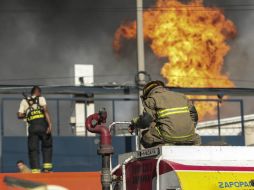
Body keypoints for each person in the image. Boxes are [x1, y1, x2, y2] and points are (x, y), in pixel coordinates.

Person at [129, 80, 201, 148]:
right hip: (190, 137)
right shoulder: (182, 96)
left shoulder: (151, 99)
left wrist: (134, 122)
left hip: (168, 137)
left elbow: (145, 121)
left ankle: (160, 152)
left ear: (147, 93)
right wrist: (185, 129)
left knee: (145, 137)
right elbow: (194, 116)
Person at [17, 86, 53, 173]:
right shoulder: (41, 99)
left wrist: (28, 114)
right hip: (43, 125)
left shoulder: (24, 101)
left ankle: (35, 170)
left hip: (32, 127)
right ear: (39, 92)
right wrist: (50, 124)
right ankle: (47, 168)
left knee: (33, 149)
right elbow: (46, 111)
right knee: (47, 146)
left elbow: (19, 115)